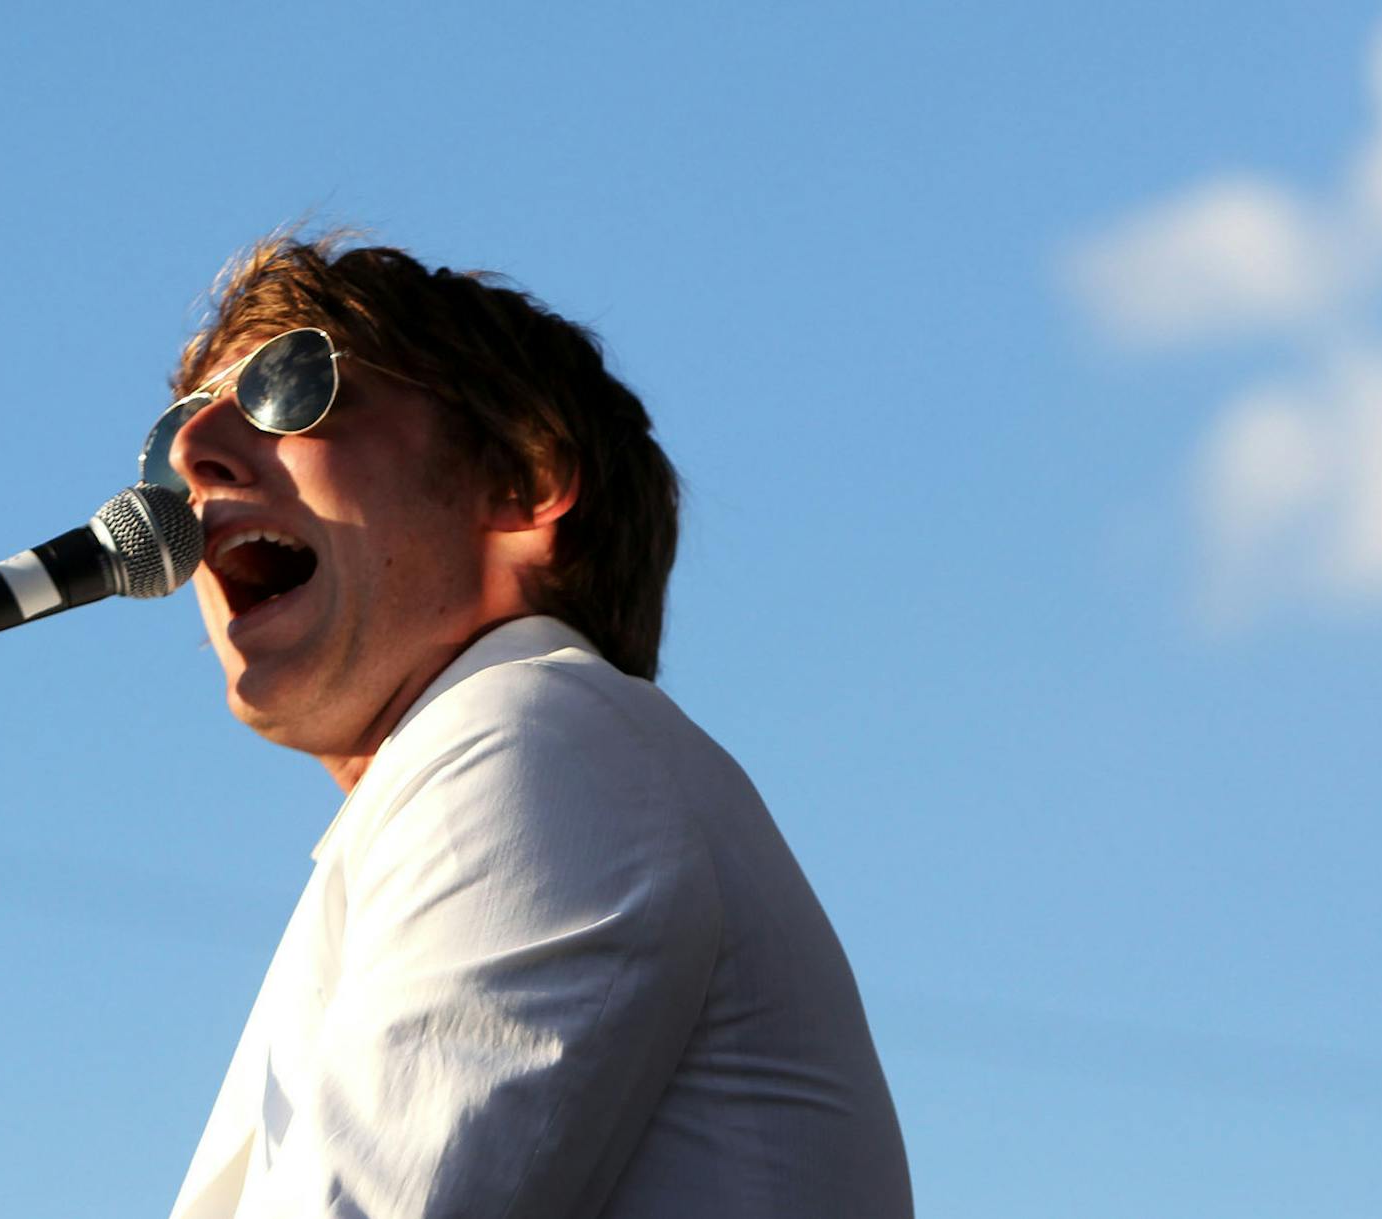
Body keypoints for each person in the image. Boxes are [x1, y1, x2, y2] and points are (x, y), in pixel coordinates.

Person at [153, 235, 912, 1219]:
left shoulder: (538, 731)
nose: (187, 457)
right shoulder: (488, 767)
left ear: (523, 478)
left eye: (289, 390)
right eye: (172, 431)